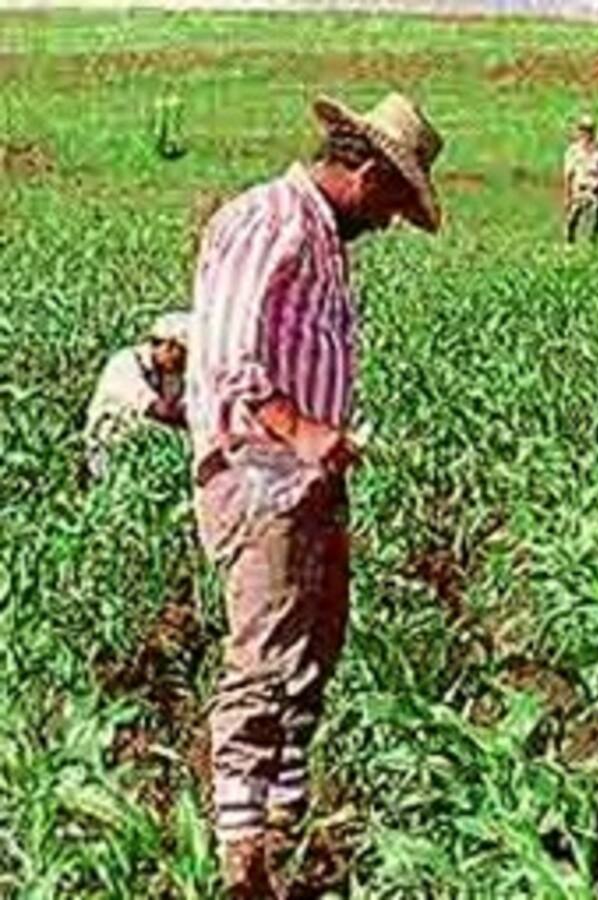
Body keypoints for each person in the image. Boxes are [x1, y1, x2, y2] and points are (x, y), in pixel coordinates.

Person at [187, 91, 443, 896]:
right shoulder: (272, 219)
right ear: (364, 170)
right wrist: (300, 430)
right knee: (263, 658)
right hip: (259, 473)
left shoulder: (326, 241)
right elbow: (231, 354)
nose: (395, 219)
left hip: (303, 482)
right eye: (395, 200)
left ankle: (288, 832)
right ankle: (242, 860)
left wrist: (321, 453)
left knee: (313, 652)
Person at [82, 311, 189, 481]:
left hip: (150, 454)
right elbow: (159, 410)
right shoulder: (125, 365)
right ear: (168, 346)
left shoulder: (171, 371)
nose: (188, 360)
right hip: (111, 454)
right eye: (184, 352)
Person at [562, 114, 598, 244]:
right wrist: (568, 195)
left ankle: (592, 244)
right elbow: (568, 174)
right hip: (579, 189)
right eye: (583, 129)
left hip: (595, 190)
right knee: (572, 219)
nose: (586, 133)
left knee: (594, 221)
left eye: (589, 130)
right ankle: (570, 244)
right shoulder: (573, 151)